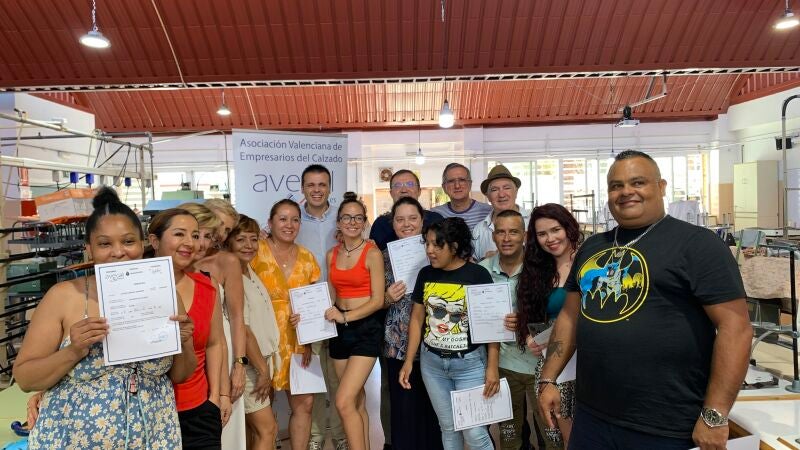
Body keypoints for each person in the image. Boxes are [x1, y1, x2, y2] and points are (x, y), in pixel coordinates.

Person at [538, 150, 753, 450]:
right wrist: (548, 378)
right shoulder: (592, 248)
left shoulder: (698, 244)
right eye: (616, 186)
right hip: (592, 417)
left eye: (638, 182)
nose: (626, 191)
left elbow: (736, 328)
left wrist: (715, 414)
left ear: (661, 187)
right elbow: (570, 316)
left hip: (665, 424)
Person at [14, 187, 196, 449]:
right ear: (89, 249)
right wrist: (74, 351)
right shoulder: (64, 296)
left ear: (142, 243)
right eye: (104, 244)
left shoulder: (164, 292)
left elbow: (180, 375)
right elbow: (25, 378)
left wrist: (185, 341)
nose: (118, 252)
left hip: (154, 436)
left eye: (128, 241)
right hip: (71, 439)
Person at [399, 217, 498, 450]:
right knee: (448, 428)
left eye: (437, 245)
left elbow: (491, 325)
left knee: (475, 434)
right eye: (427, 243)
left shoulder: (478, 275)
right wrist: (409, 360)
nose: (430, 250)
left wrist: (492, 367)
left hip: (470, 365)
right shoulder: (425, 274)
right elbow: (417, 318)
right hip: (432, 364)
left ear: (454, 247)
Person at [149, 208, 227, 449]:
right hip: (148, 411)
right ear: (154, 241)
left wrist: (216, 397)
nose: (190, 243)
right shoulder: (132, 288)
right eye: (179, 234)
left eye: (194, 235)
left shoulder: (207, 286)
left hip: (198, 410)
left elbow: (215, 343)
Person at [317, 192, 384, 450]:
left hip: (366, 329)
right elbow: (331, 295)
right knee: (356, 401)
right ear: (338, 222)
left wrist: (345, 316)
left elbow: (377, 300)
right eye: (347, 217)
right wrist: (312, 315)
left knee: (343, 401)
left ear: (365, 222)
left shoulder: (372, 253)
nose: (352, 222)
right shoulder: (331, 255)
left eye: (358, 218)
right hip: (339, 331)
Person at [251, 199, 320, 450]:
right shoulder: (254, 252)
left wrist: (309, 339)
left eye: (295, 220)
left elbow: (314, 304)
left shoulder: (307, 258)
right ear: (270, 223)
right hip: (261, 340)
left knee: (305, 404)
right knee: (261, 404)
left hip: (298, 339)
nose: (289, 225)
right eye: (282, 219)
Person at [514, 203, 583, 448]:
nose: (550, 239)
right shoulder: (536, 271)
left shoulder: (589, 261)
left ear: (568, 227)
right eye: (542, 234)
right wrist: (529, 337)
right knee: (566, 437)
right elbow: (529, 315)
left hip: (591, 360)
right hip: (555, 365)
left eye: (555, 230)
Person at [478, 209, 544, 450]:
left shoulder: (541, 268)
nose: (506, 238)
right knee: (509, 435)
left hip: (540, 364)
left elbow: (557, 314)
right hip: (503, 365)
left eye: (513, 232)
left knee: (551, 432)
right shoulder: (482, 271)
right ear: (493, 236)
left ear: (524, 236)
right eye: (501, 232)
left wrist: (526, 321)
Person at [382, 197, 443, 450]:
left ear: (422, 220)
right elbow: (373, 301)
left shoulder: (438, 251)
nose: (406, 224)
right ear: (393, 223)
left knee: (434, 409)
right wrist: (386, 298)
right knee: (404, 409)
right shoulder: (382, 256)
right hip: (398, 342)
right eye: (400, 219)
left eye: (412, 218)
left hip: (437, 340)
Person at [296, 165, 348, 450]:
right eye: (311, 185)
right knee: (313, 380)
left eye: (322, 184)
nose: (317, 190)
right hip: (308, 313)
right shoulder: (293, 220)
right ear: (303, 187)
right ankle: (316, 437)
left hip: (341, 308)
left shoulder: (343, 219)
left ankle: (340, 436)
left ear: (330, 187)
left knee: (339, 380)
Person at [179, 202, 241, 437]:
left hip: (205, 380)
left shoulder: (209, 281)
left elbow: (219, 340)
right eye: (198, 235)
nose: (203, 242)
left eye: (207, 235)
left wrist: (219, 394)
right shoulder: (156, 275)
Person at [225, 215, 281, 450]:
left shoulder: (248, 269)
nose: (249, 245)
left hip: (261, 362)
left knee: (253, 432)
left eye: (253, 239)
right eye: (241, 240)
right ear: (228, 242)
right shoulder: (234, 276)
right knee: (267, 429)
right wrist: (262, 371)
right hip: (250, 366)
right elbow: (244, 329)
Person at [201, 199, 250, 449]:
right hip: (190, 353)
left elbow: (238, 317)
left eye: (228, 229)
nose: (221, 233)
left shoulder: (227, 261)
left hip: (224, 350)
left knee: (226, 428)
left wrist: (239, 365)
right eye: (219, 224)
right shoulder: (179, 257)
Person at [369, 169, 444, 251]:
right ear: (391, 193)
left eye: (410, 184)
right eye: (397, 185)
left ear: (419, 191)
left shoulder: (436, 220)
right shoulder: (380, 225)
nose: (404, 190)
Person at [472, 165, 528, 261]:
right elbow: (473, 264)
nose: (501, 194)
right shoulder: (479, 230)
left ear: (516, 192)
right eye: (494, 190)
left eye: (507, 188)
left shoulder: (532, 222)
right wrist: (486, 261)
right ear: (488, 196)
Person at [431, 163, 492, 229]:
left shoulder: (488, 212)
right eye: (451, 181)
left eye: (462, 180)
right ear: (444, 187)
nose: (457, 186)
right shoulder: (434, 215)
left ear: (470, 184)